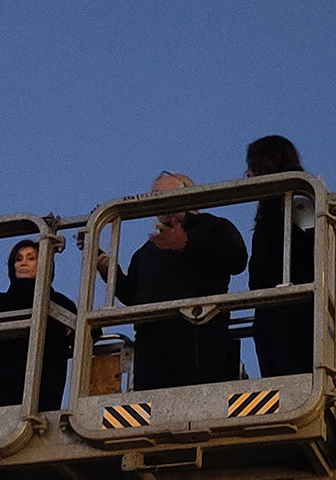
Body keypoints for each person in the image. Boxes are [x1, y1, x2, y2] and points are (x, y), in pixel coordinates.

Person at [109, 172, 248, 390]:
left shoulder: (214, 227)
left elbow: (236, 260)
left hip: (198, 336)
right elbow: (133, 297)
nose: (156, 201)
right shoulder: (147, 250)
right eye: (153, 196)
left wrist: (186, 245)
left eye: (162, 194)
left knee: (201, 406)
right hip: (151, 344)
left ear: (186, 195)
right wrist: (109, 272)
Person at [245, 136, 316, 377]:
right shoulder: (277, 208)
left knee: (291, 380)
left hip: (293, 314)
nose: (247, 175)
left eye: (251, 167)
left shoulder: (299, 201)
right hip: (272, 313)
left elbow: (310, 255)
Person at [0, 240, 78, 411]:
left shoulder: (61, 304)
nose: (23, 263)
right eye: (18, 259)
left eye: (31, 258)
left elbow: (88, 337)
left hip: (46, 390)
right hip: (0, 393)